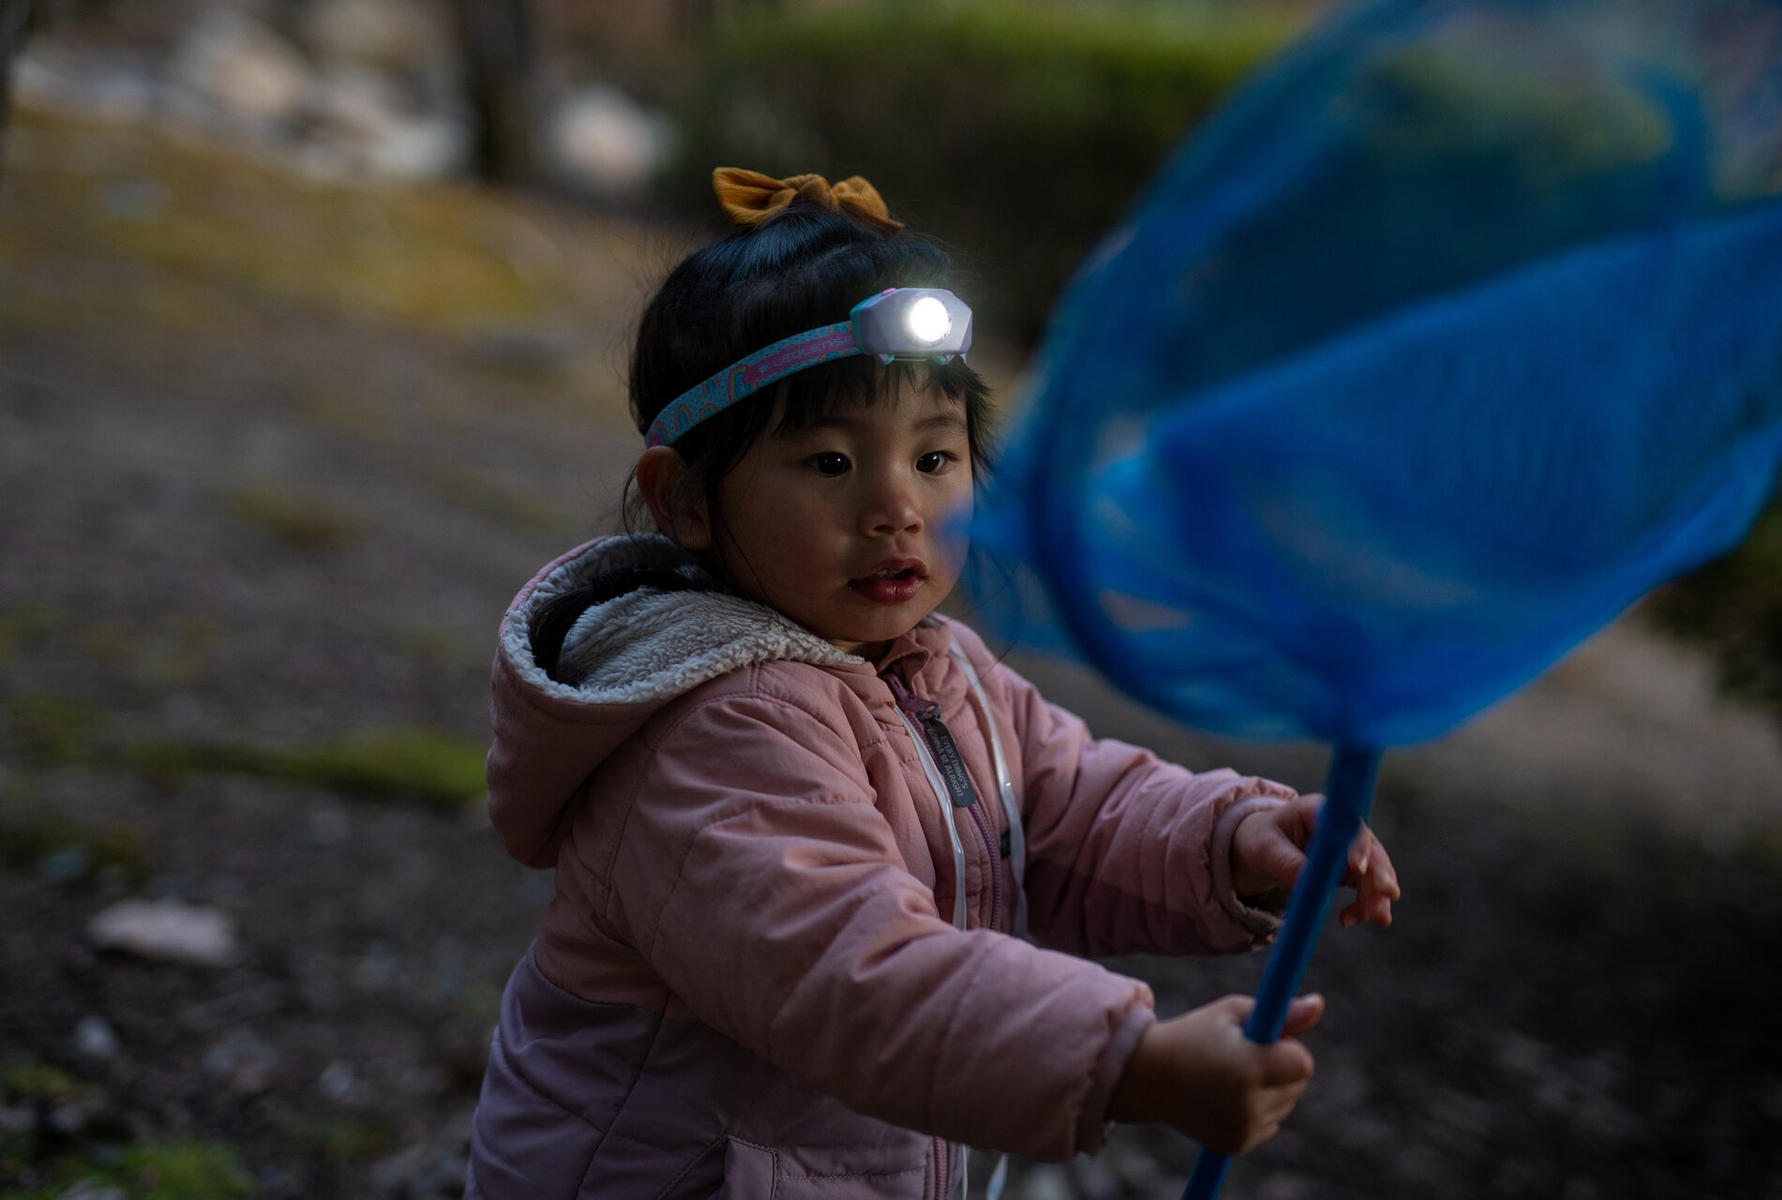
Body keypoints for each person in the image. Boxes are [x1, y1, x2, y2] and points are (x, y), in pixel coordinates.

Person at [464, 167, 1401, 1200]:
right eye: (830, 463)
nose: (897, 507)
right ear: (684, 500)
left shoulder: (943, 672)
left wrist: (1232, 839)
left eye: (936, 457)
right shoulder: (715, 729)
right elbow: (849, 975)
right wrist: (1127, 1061)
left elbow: (1071, 808)